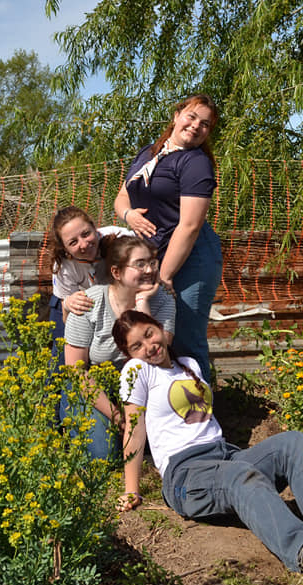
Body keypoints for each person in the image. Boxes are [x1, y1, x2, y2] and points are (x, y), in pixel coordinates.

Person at [112, 310, 303, 585]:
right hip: (185, 474)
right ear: (129, 354)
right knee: (239, 475)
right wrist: (131, 490)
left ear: (160, 327)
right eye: (137, 346)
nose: (149, 346)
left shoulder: (189, 364)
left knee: (294, 443)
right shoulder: (137, 371)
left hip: (225, 456)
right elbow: (134, 430)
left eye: (149, 334)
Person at [114, 93, 224, 382]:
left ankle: (201, 407)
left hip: (189, 259)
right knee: (150, 338)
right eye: (191, 116)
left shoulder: (196, 163)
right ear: (176, 116)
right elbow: (122, 196)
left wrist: (164, 275)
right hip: (151, 257)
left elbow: (189, 225)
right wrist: (129, 215)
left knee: (185, 342)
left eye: (205, 124)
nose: (196, 126)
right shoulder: (148, 153)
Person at [63, 235, 176, 459]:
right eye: (140, 264)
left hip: (143, 385)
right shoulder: (88, 303)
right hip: (94, 387)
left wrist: (142, 303)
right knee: (104, 454)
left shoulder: (163, 300)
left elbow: (156, 355)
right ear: (116, 272)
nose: (149, 270)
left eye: (152, 262)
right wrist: (117, 417)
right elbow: (76, 372)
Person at [46, 206, 133, 359]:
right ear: (64, 248)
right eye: (73, 242)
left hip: (118, 298)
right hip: (75, 302)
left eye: (86, 234)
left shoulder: (122, 239)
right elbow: (68, 320)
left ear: (94, 227)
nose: (84, 244)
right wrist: (68, 304)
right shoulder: (63, 266)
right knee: (62, 357)